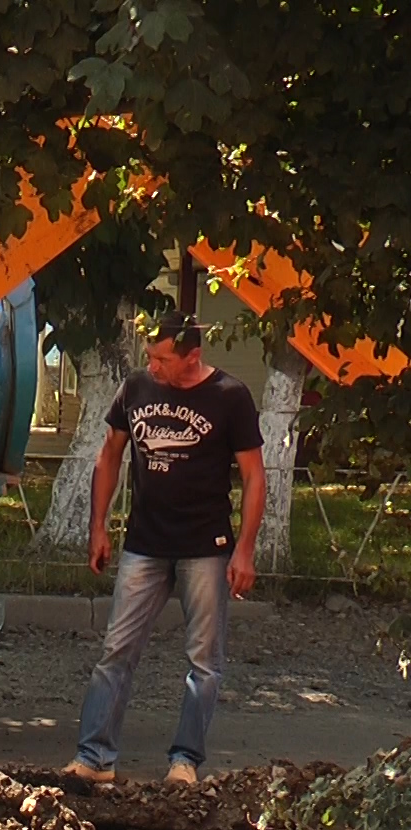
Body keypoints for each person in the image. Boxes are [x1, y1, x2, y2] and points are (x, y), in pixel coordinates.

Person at [65, 312, 265, 786]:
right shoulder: (136, 388)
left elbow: (255, 476)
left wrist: (245, 550)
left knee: (204, 661)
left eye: (161, 358)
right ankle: (94, 759)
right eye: (148, 356)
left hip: (205, 546)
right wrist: (98, 525)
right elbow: (109, 454)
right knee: (116, 650)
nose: (152, 366)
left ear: (192, 356)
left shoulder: (229, 397)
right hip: (145, 543)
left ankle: (184, 761)